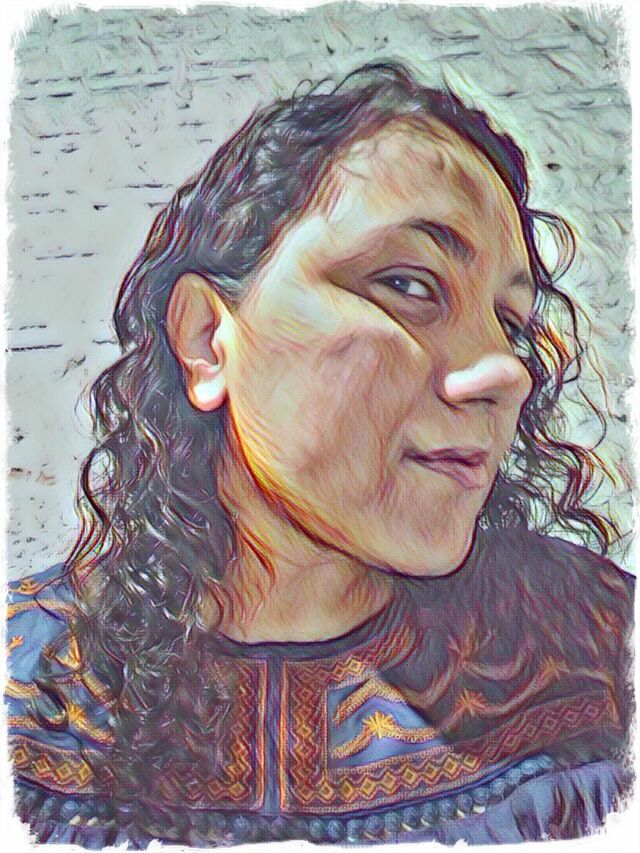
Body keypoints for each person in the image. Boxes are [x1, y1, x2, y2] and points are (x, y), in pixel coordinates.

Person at [7, 60, 635, 849]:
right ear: (207, 339)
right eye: (409, 283)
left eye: (508, 322)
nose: (505, 372)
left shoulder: (604, 656)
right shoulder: (24, 693)